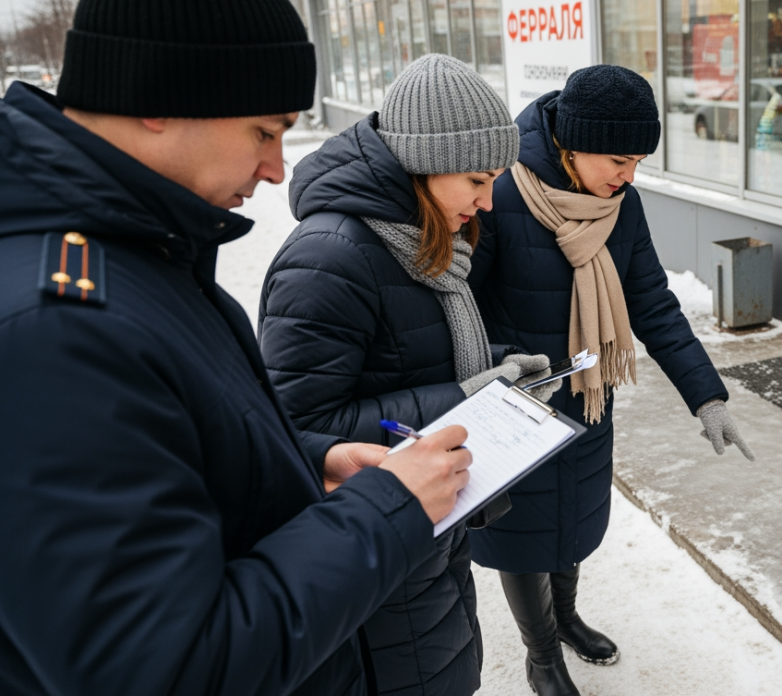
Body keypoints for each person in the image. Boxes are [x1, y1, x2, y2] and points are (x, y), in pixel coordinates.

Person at [0, 2, 476, 694]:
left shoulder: (136, 253)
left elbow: (180, 449)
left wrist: (306, 462)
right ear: (158, 99)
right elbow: (166, 669)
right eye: (264, 131)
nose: (278, 169)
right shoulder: (57, 326)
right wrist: (390, 508)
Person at [258, 53, 558, 696]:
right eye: (476, 179)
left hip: (428, 532)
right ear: (423, 163)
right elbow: (298, 426)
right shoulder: (329, 259)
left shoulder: (416, 235)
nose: (487, 200)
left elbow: (409, 351)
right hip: (375, 557)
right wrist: (467, 396)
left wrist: (503, 372)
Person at [467, 65, 757, 696]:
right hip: (515, 407)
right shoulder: (501, 195)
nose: (629, 176)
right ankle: (542, 656)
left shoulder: (621, 205)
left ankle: (567, 618)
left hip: (588, 396)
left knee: (569, 521)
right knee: (524, 535)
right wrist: (500, 365)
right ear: (573, 144)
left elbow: (652, 302)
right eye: (620, 160)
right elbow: (456, 307)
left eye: (638, 162)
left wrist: (706, 395)